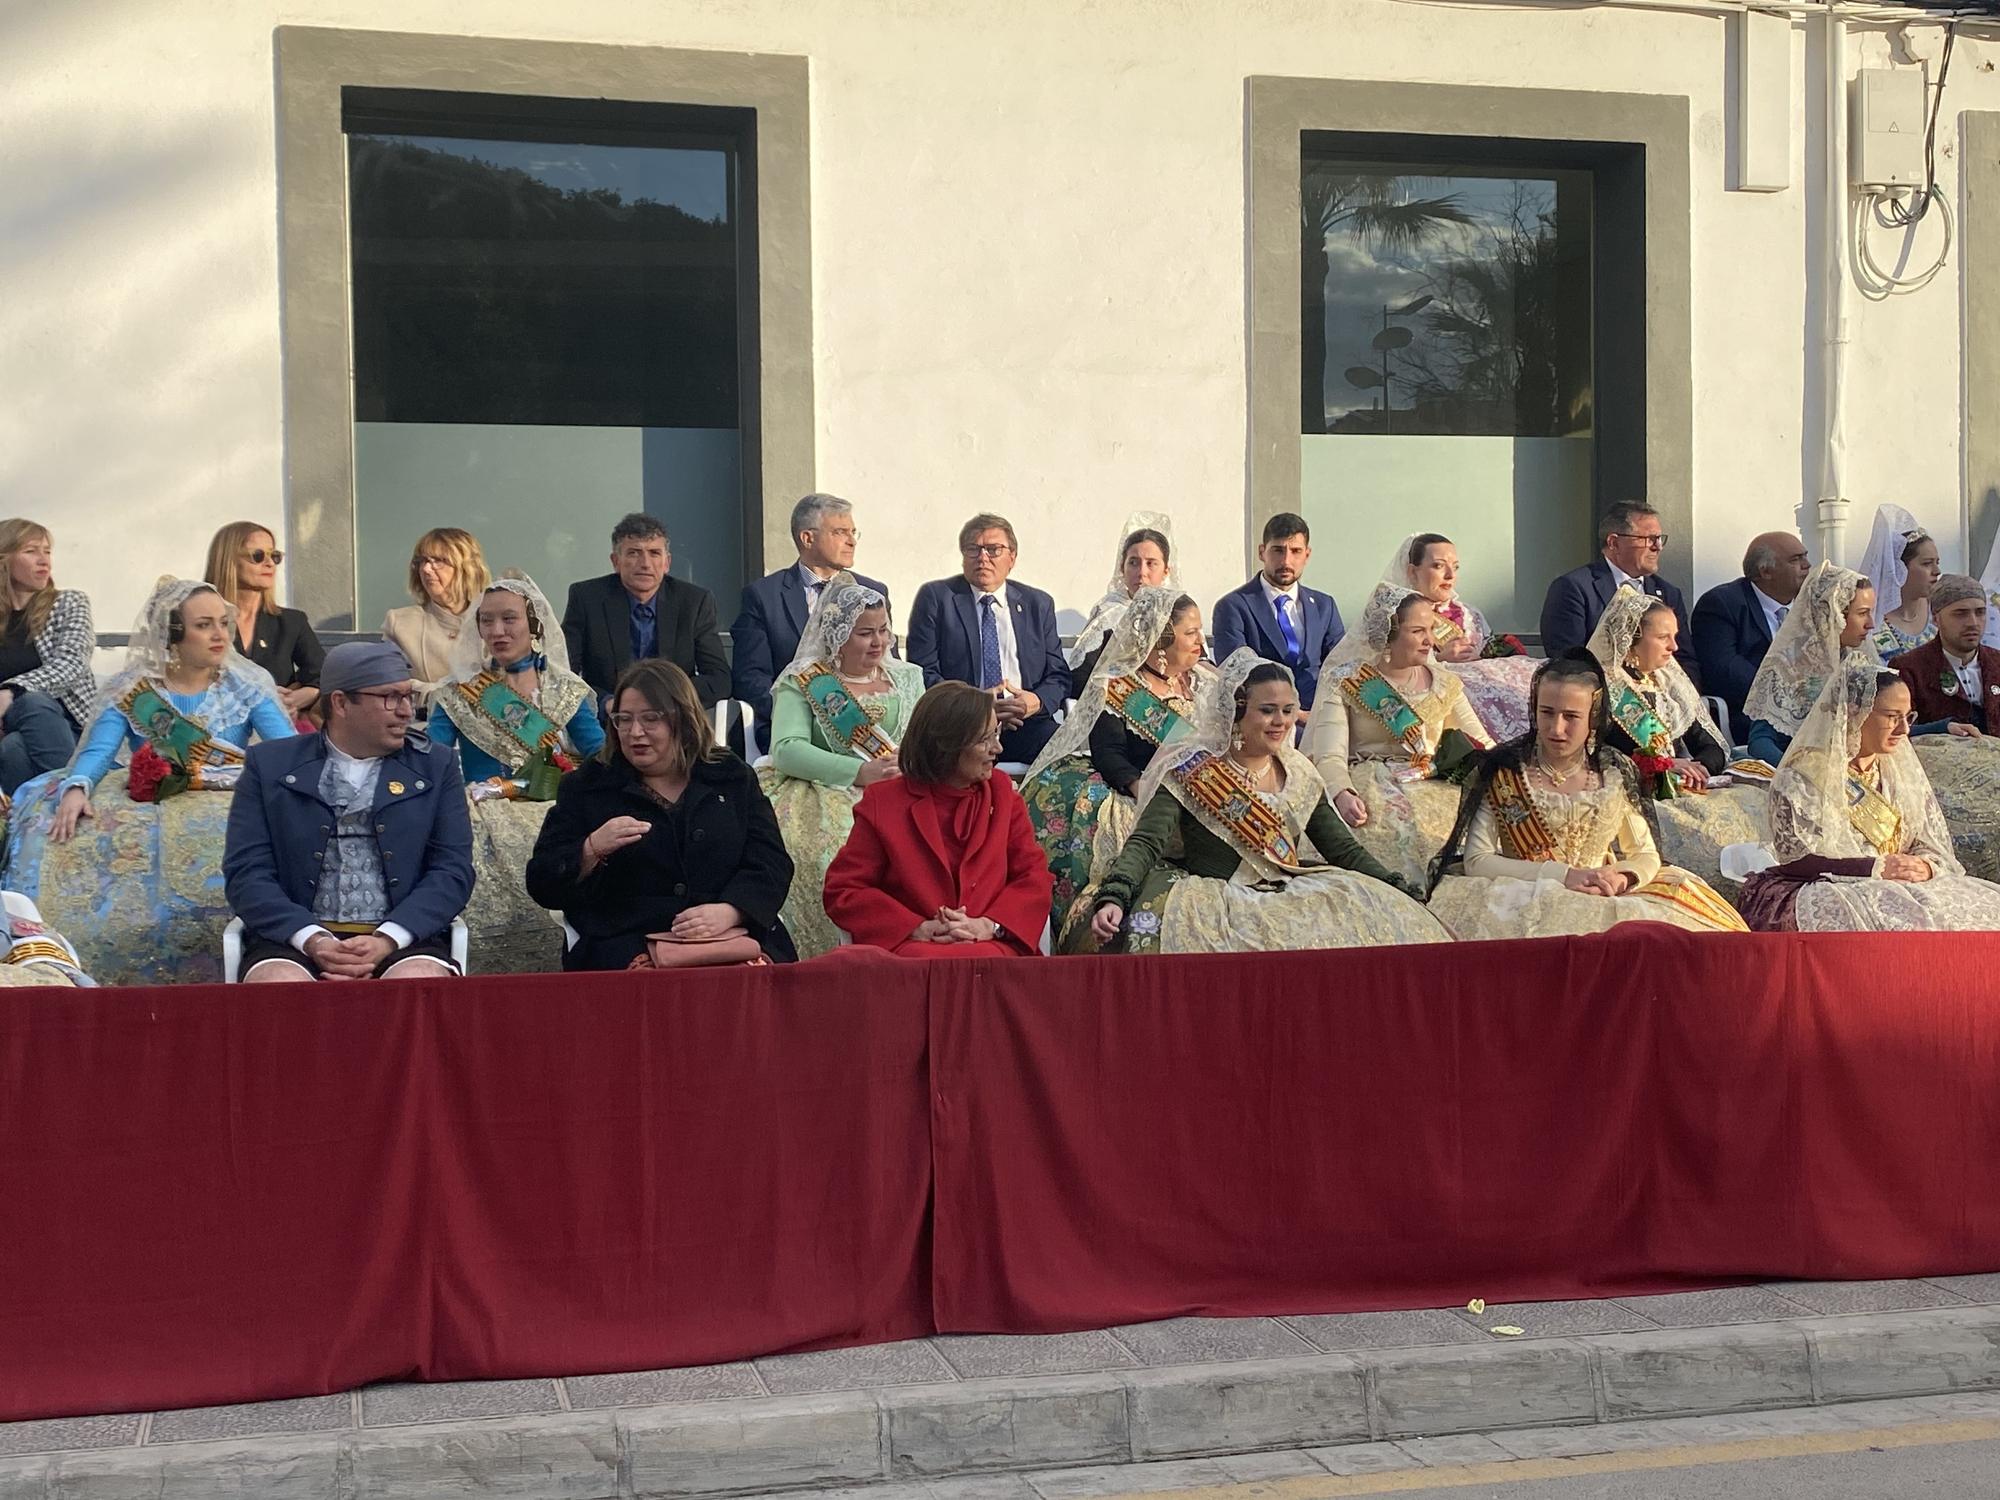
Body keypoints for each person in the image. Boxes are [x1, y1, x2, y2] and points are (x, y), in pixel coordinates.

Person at [6, 578, 296, 985]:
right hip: (149, 800)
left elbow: (289, 752)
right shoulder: (133, 690)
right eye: (204, 625)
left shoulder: (244, 686)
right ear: (172, 635)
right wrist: (77, 787)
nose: (219, 635)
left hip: (229, 800)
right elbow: (98, 752)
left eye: (223, 623)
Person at [1077, 651, 1448, 954]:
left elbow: (1342, 848)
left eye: (1288, 710)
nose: (1281, 722)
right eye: (1267, 710)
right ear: (1237, 712)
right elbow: (1146, 842)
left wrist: (1395, 886)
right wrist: (1116, 895)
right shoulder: (1191, 770)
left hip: (1289, 891)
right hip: (1218, 905)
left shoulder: (1300, 773)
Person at [1427, 653, 1747, 940]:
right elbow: (1478, 861)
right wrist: (1563, 876)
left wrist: (1623, 877)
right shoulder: (1504, 771)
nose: (1556, 728)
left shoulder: (1612, 772)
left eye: (1571, 716)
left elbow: (1645, 854)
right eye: (1547, 712)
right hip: (1523, 898)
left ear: (1593, 718)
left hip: (1607, 893)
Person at [222, 642, 472, 981]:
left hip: (404, 938)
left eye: (407, 697)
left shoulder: (436, 766)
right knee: (278, 986)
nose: (406, 712)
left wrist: (388, 938)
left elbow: (452, 871)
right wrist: (313, 939)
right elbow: (247, 874)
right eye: (390, 697)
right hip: (294, 939)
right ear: (340, 703)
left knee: (418, 981)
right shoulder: (268, 765)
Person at [527, 659, 796, 969]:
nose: (634, 732)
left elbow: (771, 861)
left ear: (682, 719)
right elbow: (542, 881)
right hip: (624, 939)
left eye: (650, 719)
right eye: (623, 719)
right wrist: (590, 849)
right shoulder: (588, 785)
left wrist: (732, 910)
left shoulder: (731, 775)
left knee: (756, 984)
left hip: (730, 933)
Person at [1739, 658, 2000, 931]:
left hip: (1900, 884)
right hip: (1830, 887)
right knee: (1903, 922)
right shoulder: (1802, 777)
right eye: (1891, 717)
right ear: (1854, 712)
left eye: (1908, 717)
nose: (1904, 730)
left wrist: (1926, 867)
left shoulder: (1898, 771)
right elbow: (1798, 861)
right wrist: (1874, 868)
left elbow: (1928, 842)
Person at [1021, 586, 1211, 931]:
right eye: (1191, 633)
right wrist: (1141, 787)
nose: (1201, 640)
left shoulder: (1204, 683)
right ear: (1161, 640)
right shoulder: (1118, 685)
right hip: (1136, 788)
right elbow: (1109, 753)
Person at [757, 579, 925, 958]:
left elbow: (924, 736)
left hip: (902, 785)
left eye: (883, 630)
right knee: (827, 847)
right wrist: (857, 772)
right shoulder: (803, 680)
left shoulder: (909, 677)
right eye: (865, 633)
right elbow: (786, 749)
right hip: (823, 788)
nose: (879, 642)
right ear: (837, 634)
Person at [823, 681, 1052, 956]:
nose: (998, 749)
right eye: (984, 740)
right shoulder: (884, 802)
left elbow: (1034, 877)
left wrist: (990, 925)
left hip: (992, 946)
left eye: (996, 734)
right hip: (914, 952)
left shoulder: (1004, 795)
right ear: (947, 746)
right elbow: (845, 889)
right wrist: (915, 927)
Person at [1301, 589, 1491, 888]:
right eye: (1417, 631)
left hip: (1436, 786)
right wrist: (1342, 793)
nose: (1430, 641)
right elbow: (1329, 754)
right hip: (1371, 790)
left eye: (1431, 629)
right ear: (1388, 635)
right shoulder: (1347, 680)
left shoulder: (1445, 684)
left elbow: (1482, 743)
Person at [905, 513, 1070, 764]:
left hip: (1026, 722)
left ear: (1012, 557)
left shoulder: (1038, 604)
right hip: (961, 727)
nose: (983, 557)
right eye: (973, 549)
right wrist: (977, 707)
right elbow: (922, 672)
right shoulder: (938, 598)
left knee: (1068, 758)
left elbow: (1058, 674)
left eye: (993, 550)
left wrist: (1034, 702)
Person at [730, 494, 890, 752]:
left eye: (853, 532)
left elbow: (886, 667)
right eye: (840, 532)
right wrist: (801, 713)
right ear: (807, 538)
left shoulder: (872, 592)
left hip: (869, 727)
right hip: (793, 727)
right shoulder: (763, 597)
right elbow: (751, 677)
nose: (851, 541)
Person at [429, 574, 606, 785]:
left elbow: (599, 754)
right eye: (486, 620)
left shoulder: (565, 687)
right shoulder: (458, 691)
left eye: (509, 618)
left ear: (533, 624)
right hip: (484, 811)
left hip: (554, 809)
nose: (497, 631)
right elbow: (431, 761)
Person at [561, 513, 730, 711]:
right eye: (634, 553)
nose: (645, 564)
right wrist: (604, 702)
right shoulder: (586, 598)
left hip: (673, 716)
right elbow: (564, 671)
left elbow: (719, 680)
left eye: (654, 553)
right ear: (615, 561)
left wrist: (667, 697)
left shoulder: (694, 602)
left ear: (667, 563)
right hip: (607, 719)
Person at [1388, 531, 1540, 741]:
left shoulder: (1469, 614)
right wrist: (1439, 659)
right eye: (1439, 566)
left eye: (1456, 567)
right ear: (1413, 572)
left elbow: (1489, 650)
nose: (1450, 575)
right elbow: (1385, 665)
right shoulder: (1394, 616)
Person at [1538, 501, 1696, 679]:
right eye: (1649, 539)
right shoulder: (1573, 589)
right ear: (1614, 542)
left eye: (1659, 539)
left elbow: (1685, 659)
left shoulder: (1669, 594)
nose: (1657, 547)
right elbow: (1568, 662)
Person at [1741, 561, 1878, 765]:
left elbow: (1886, 724)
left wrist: (1940, 726)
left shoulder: (1858, 662)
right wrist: (1798, 772)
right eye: (1862, 613)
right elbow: (1760, 742)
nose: (1871, 624)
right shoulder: (1788, 666)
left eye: (1870, 612)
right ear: (1832, 615)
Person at [1210, 513, 1344, 711]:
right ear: (1262, 552)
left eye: (1296, 551)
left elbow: (1341, 665)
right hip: (1265, 722)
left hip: (1319, 718)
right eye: (1278, 550)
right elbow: (1236, 675)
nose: (1286, 561)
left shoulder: (1325, 606)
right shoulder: (1232, 607)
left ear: (1307, 555)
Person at [0, 519, 95, 795]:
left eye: (48, 551)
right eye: (31, 551)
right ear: (4, 559)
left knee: (32, 703)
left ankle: (71, 794)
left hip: (69, 729)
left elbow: (72, 663)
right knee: (12, 748)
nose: (44, 561)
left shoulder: (69, 603)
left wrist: (11, 692)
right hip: (10, 733)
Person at [1690, 531, 1812, 743]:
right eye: (1796, 559)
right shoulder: (1722, 604)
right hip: (1751, 720)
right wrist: (1786, 699)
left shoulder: (1810, 606)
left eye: (1805, 556)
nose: (1807, 565)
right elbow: (1724, 669)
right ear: (1765, 571)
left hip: (1806, 718)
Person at [204, 521, 326, 723]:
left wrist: (294, 699)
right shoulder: (200, 622)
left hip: (276, 732)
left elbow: (323, 676)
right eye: (258, 556)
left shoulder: (291, 622)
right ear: (229, 561)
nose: (269, 563)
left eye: (274, 556)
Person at [1064, 515, 1176, 693]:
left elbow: (1196, 665)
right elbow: (1081, 675)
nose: (1142, 572)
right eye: (1133, 563)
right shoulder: (1109, 613)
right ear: (1122, 568)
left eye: (1151, 563)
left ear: (1166, 571)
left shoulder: (1178, 613)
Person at [381, 527, 489, 705]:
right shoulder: (400, 623)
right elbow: (391, 684)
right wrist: (439, 694)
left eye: (439, 561)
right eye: (422, 561)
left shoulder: (494, 619)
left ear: (466, 568)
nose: (426, 569)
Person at [1891, 576, 2000, 737]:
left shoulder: (1996, 662)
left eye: (1980, 613)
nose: (1973, 622)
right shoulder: (1909, 669)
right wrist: (1941, 728)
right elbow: (1893, 730)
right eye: (1960, 614)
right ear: (1936, 619)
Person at [1857, 505, 1942, 659]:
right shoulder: (1871, 620)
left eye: (1937, 562)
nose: (1937, 571)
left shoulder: (1939, 611)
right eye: (1927, 563)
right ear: (1899, 568)